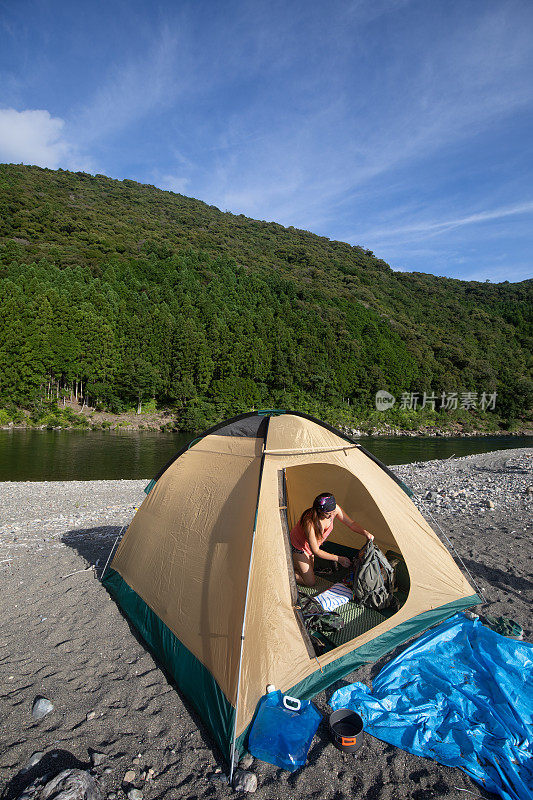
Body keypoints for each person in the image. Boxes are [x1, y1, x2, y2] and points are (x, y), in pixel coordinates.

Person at [290, 492, 374, 587]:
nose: (331, 515)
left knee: (308, 571)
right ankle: (286, 573)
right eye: (328, 514)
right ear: (319, 511)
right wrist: (338, 559)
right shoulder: (309, 523)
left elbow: (351, 524)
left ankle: (295, 564)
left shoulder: (334, 509)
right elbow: (316, 551)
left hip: (311, 547)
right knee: (310, 582)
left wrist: (365, 533)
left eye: (333, 512)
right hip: (299, 547)